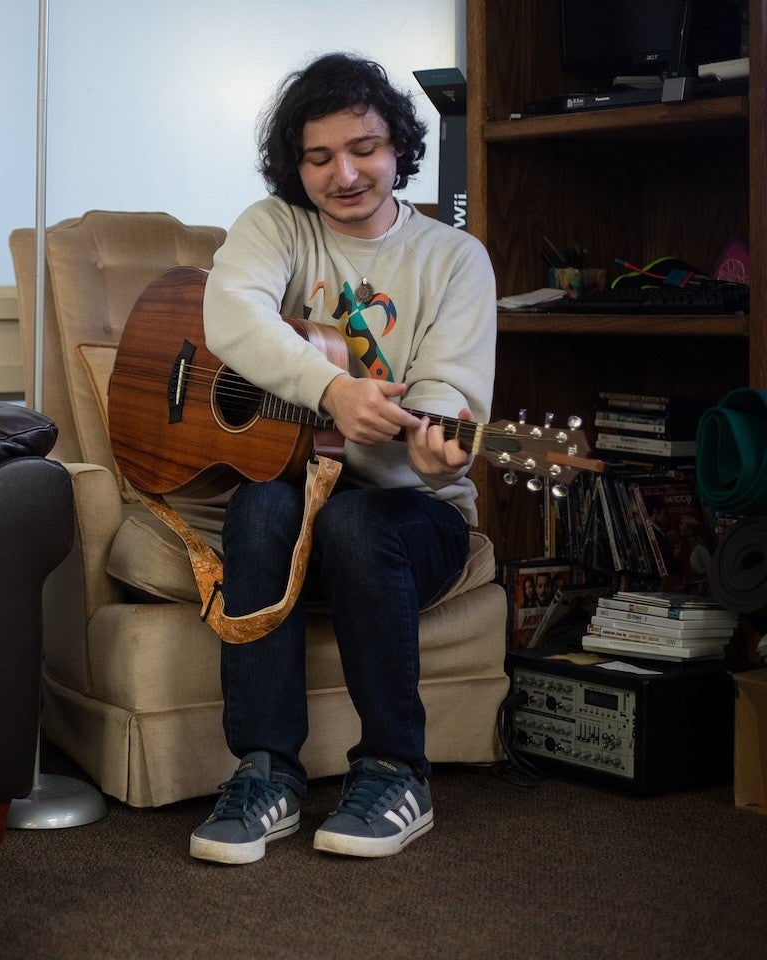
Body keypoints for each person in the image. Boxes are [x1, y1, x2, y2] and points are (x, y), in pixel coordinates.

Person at [189, 52, 496, 863]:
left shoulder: (454, 260)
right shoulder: (276, 226)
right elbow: (231, 315)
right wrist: (331, 391)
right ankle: (264, 774)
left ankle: (397, 769)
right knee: (258, 502)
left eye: (364, 148)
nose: (345, 173)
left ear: (398, 144)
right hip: (298, 507)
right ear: (295, 166)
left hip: (412, 523)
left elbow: (450, 407)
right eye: (318, 157)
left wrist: (438, 457)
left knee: (362, 520)